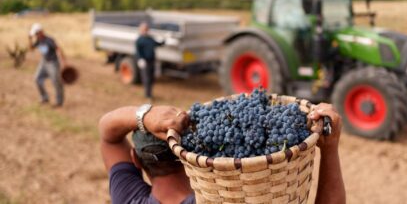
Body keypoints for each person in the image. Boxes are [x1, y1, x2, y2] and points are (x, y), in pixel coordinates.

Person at [99, 103, 345, 204]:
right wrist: (330, 149)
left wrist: (142, 116)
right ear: (189, 155)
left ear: (135, 161)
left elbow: (108, 135)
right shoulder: (230, 198)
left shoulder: (128, 198)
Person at [28, 23, 66, 107]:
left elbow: (58, 49)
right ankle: (44, 97)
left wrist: (63, 62)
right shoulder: (38, 40)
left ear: (41, 32)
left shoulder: (49, 40)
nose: (35, 36)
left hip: (53, 63)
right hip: (44, 62)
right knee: (37, 79)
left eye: (36, 34)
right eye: (35, 34)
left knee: (56, 82)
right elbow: (31, 49)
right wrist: (30, 39)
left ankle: (59, 101)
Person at [135, 22, 164, 100]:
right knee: (147, 79)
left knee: (151, 78)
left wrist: (163, 40)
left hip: (152, 61)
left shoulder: (150, 38)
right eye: (144, 29)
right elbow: (138, 51)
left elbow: (157, 44)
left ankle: (150, 93)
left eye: (147, 29)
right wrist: (140, 59)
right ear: (141, 30)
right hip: (145, 62)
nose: (145, 31)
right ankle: (148, 95)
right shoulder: (139, 40)